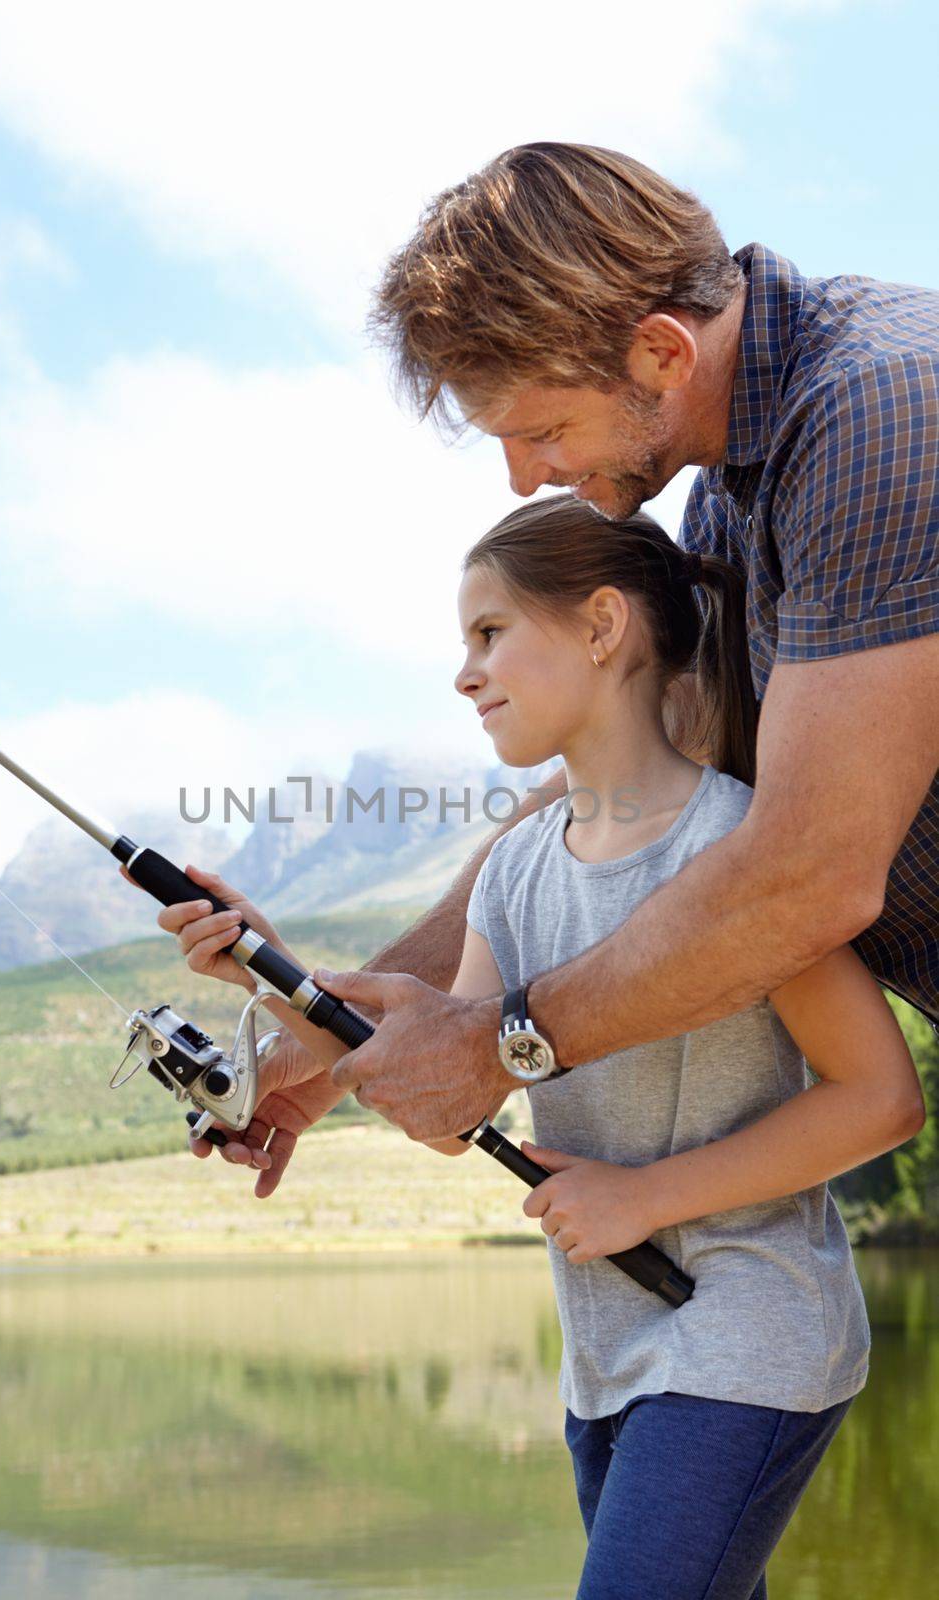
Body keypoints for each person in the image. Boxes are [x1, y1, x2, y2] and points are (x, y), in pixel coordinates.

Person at [150, 495, 923, 1598]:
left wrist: (645, 1196)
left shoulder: (741, 849)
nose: (463, 675)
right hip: (605, 1356)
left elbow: (881, 1099)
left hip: (750, 1329)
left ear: (604, 628)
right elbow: (446, 1097)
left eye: (489, 633)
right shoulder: (513, 873)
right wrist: (272, 974)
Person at [173, 139, 933, 1181]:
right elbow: (615, 787)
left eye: (541, 429)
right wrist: (332, 1040)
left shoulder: (878, 410)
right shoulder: (727, 497)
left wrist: (498, 1046)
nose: (527, 478)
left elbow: (810, 873)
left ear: (663, 352)